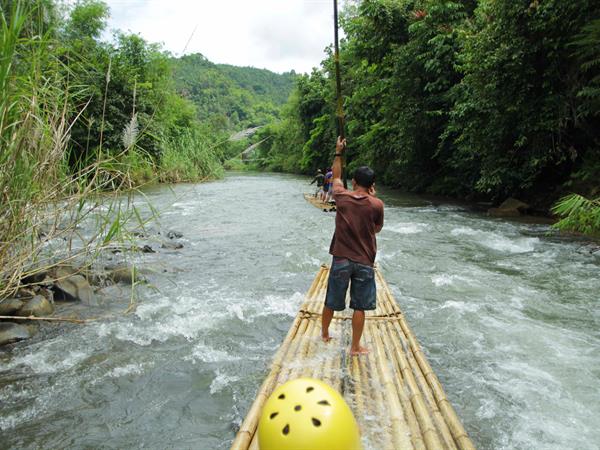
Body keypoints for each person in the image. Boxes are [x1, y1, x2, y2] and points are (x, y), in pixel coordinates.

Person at [321, 137, 384, 356]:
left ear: (355, 182)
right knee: (359, 306)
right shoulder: (377, 204)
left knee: (332, 299)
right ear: (372, 185)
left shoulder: (341, 196)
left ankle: (325, 333)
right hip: (364, 261)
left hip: (341, 258)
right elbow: (376, 229)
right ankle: (355, 347)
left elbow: (336, 176)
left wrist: (339, 151)